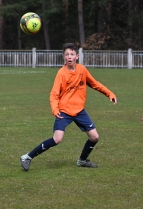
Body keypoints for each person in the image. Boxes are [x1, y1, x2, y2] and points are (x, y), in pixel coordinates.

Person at [20, 43, 117, 171]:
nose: (69, 57)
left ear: (77, 56)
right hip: (64, 111)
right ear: (63, 57)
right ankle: (27, 157)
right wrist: (55, 109)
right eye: (67, 55)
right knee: (57, 139)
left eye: (72, 54)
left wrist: (109, 94)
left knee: (95, 137)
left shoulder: (82, 70)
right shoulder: (61, 73)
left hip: (79, 111)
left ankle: (82, 160)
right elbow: (54, 94)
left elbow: (95, 84)